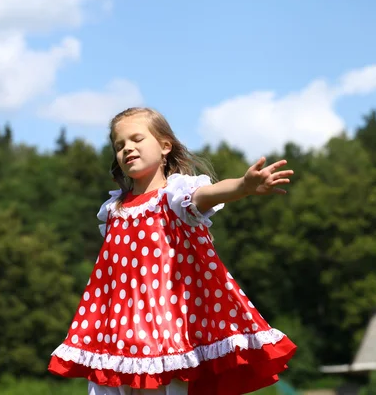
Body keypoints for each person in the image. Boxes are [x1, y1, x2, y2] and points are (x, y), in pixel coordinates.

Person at [48, 107, 297, 395]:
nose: (127, 148)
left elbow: (209, 194)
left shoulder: (175, 198)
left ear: (165, 145)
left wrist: (243, 185)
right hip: (117, 339)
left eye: (137, 139)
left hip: (167, 338)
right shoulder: (113, 210)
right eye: (119, 145)